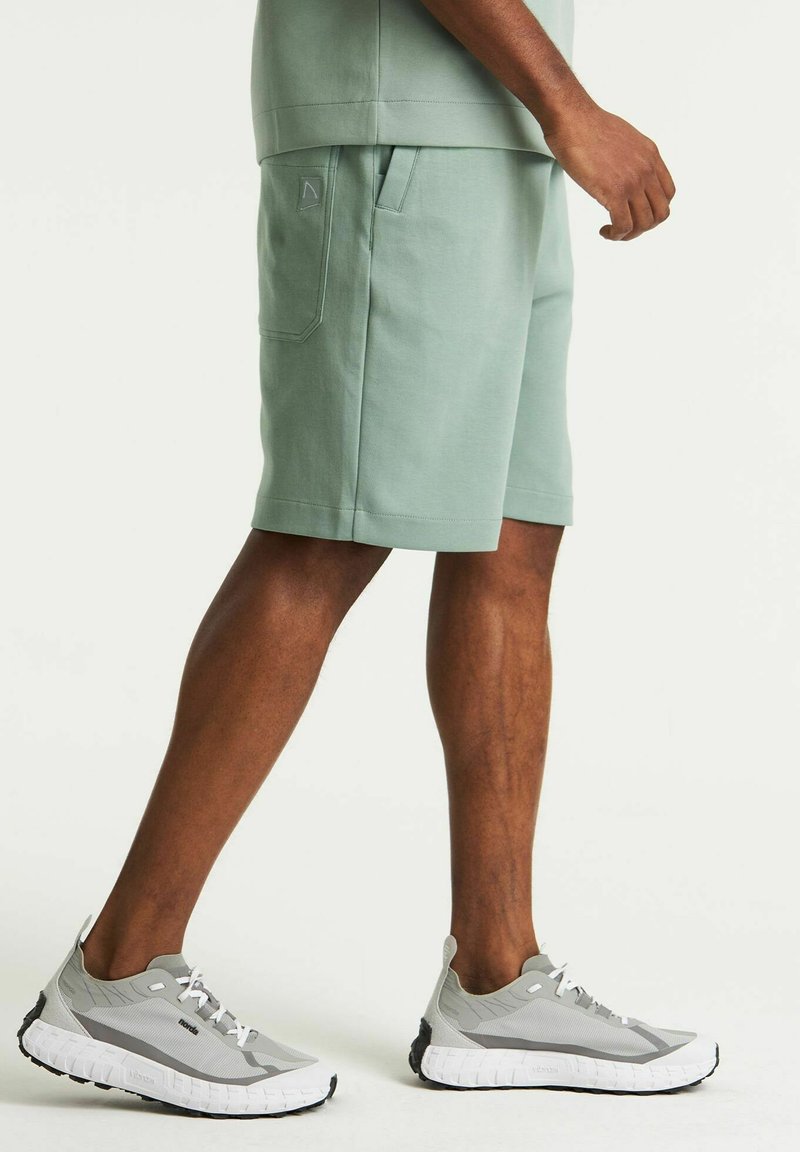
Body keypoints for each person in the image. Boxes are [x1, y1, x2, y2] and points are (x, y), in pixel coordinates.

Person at [18, 0, 717, 1117]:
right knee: (328, 531)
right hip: (402, 132)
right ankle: (119, 968)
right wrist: (570, 107)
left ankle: (496, 978)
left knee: (512, 536)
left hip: (499, 142)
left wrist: (546, 119)